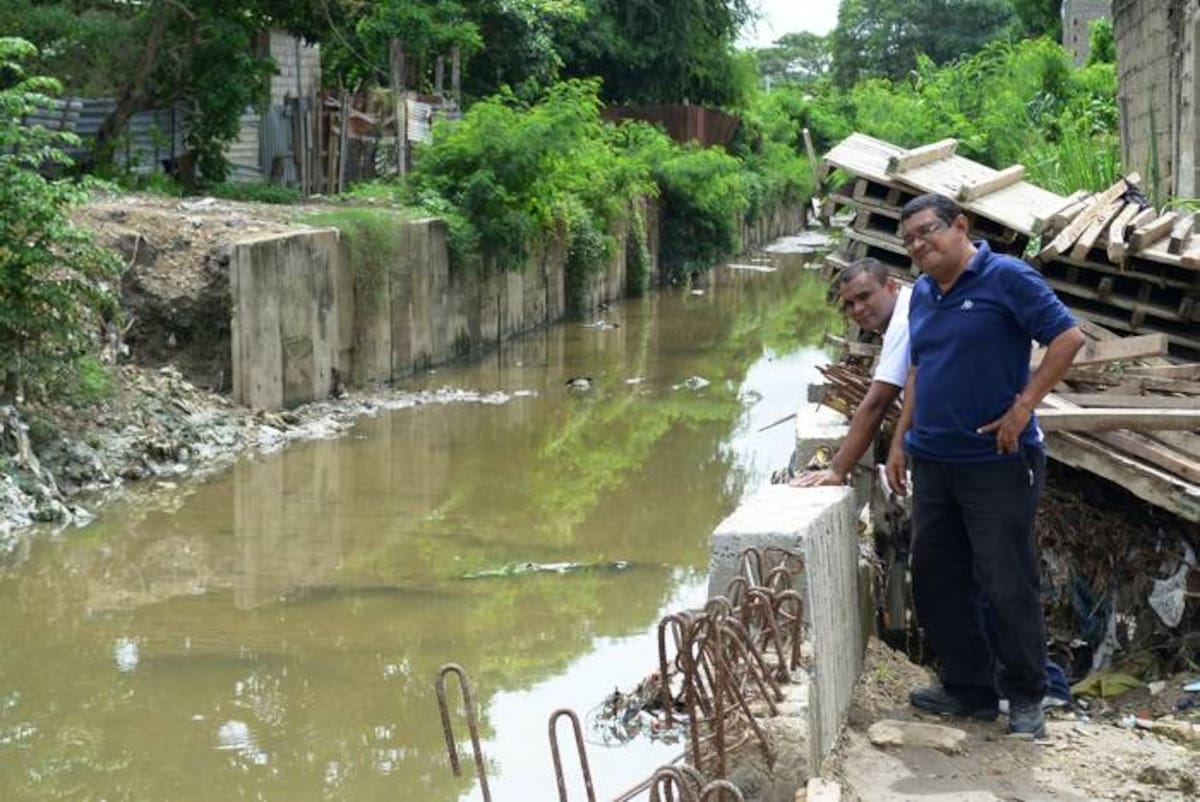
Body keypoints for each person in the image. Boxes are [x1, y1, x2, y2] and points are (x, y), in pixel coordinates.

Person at [885, 193, 1085, 738]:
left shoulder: (1008, 278)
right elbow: (920, 370)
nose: (918, 245)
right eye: (908, 240)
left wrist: (1023, 407)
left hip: (996, 462)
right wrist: (900, 441)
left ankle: (1025, 697)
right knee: (937, 580)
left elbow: (1068, 338)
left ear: (961, 226)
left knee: (1005, 581)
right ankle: (969, 690)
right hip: (933, 461)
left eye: (927, 232)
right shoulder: (923, 293)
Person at [792, 257, 909, 488]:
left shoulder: (903, 322)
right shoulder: (911, 305)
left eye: (865, 296)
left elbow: (877, 403)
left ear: (891, 287)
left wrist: (837, 469)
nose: (858, 309)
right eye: (849, 303)